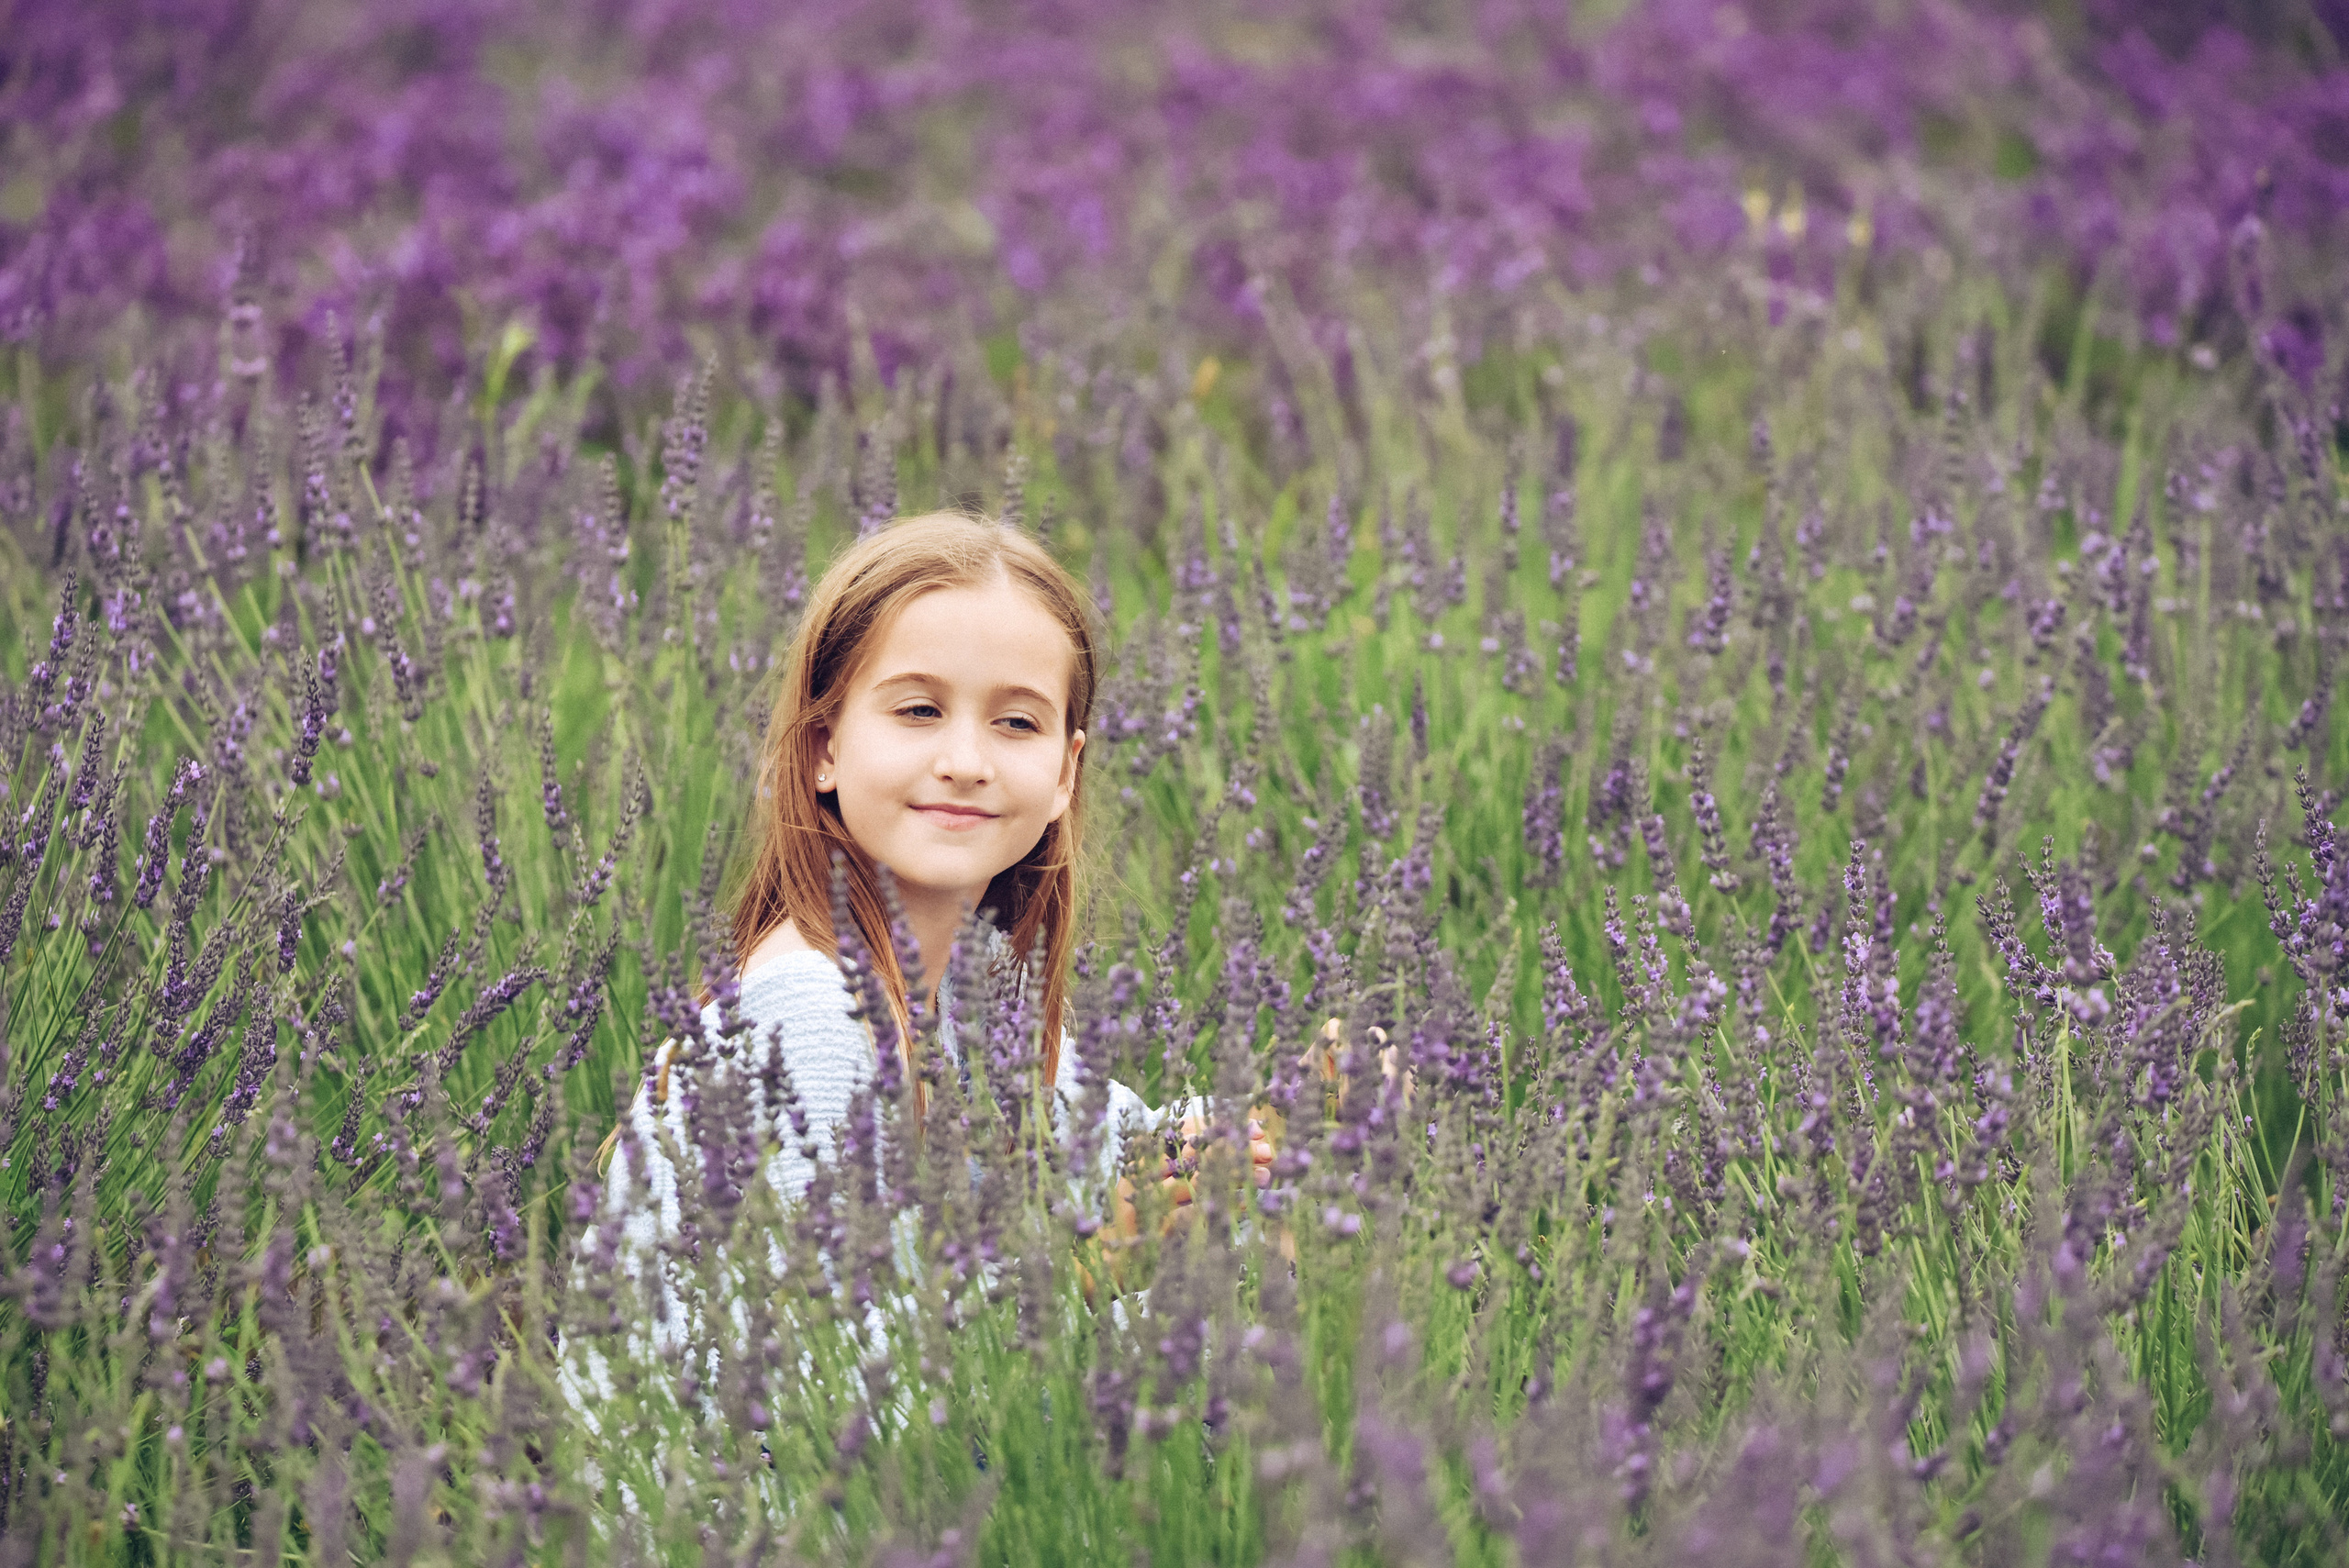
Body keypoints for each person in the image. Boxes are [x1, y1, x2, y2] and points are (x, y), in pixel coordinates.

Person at [591, 509, 1274, 1350]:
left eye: (1016, 722)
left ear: (1066, 770)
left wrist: (1280, 1120)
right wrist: (1093, 1265)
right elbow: (836, 1382)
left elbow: (1111, 1147)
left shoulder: (963, 996)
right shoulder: (813, 1010)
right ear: (823, 747)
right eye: (918, 710)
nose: (966, 760)